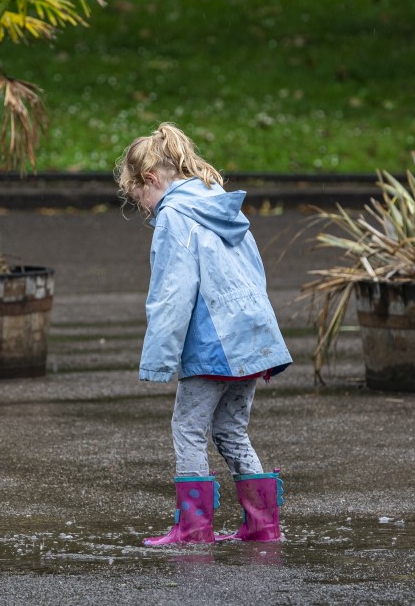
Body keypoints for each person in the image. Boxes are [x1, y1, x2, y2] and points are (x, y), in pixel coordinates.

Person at [114, 122, 291, 546]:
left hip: (215, 345)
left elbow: (172, 294)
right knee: (231, 429)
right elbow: (254, 273)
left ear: (152, 179)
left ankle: (193, 529)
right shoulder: (221, 205)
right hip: (253, 339)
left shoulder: (175, 217)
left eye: (141, 200)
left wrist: (157, 360)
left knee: (188, 428)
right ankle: (262, 526)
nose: (147, 211)